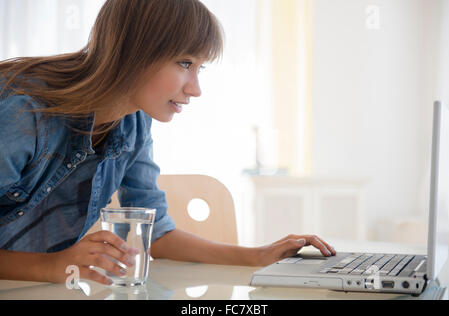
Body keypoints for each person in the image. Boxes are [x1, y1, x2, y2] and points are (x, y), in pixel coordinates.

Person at [0, 0, 335, 286]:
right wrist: (51, 266)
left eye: (201, 68)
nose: (196, 89)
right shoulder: (22, 109)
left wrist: (257, 255)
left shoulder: (134, 121)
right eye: (185, 63)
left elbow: (157, 234)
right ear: (135, 51)